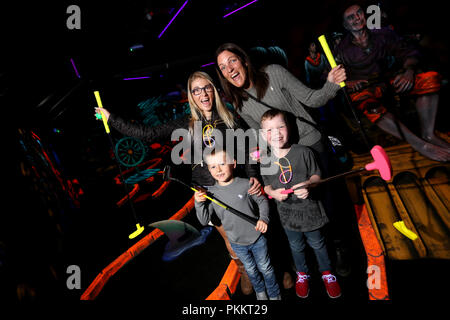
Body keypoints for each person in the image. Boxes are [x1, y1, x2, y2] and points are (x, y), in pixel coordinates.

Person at [94, 71, 261, 295]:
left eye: (207, 88)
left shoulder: (230, 119)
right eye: (196, 90)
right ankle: (244, 271)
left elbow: (247, 152)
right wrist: (111, 118)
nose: (203, 94)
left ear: (214, 89)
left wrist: (252, 177)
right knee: (230, 239)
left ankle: (268, 269)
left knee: (255, 234)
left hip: (236, 188)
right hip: (210, 193)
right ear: (192, 96)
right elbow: (149, 134)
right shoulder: (187, 123)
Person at [215, 42, 352, 277]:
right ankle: (311, 256)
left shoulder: (274, 74)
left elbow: (312, 98)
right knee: (299, 202)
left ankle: (339, 246)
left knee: (325, 199)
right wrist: (259, 163)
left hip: (310, 143)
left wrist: (331, 84)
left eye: (232, 61)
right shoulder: (241, 101)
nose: (230, 69)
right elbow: (262, 135)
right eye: (223, 67)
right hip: (284, 154)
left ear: (244, 61)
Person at [335, 4, 450, 162]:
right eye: (351, 17)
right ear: (345, 25)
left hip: (392, 82)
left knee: (428, 78)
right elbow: (331, 77)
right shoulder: (341, 50)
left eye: (359, 13)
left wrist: (409, 70)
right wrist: (349, 83)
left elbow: (411, 53)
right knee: (363, 101)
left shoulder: (383, 34)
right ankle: (419, 144)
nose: (357, 18)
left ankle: (428, 134)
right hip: (368, 89)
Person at [260, 109, 341, 299]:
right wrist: (273, 193)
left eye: (281, 126)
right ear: (264, 135)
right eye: (270, 130)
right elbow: (267, 186)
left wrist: (309, 184)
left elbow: (316, 176)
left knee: (318, 243)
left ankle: (327, 273)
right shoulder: (265, 160)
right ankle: (302, 275)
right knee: (296, 246)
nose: (277, 133)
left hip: (310, 212)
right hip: (288, 216)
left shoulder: (304, 152)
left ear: (288, 128)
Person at [194, 149, 281, 300]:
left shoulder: (246, 184)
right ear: (208, 169)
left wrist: (263, 219)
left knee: (265, 268)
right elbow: (203, 220)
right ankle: (260, 291)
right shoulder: (210, 193)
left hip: (257, 238)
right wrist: (198, 203)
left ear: (233, 163)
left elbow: (262, 201)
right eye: (213, 166)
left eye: (222, 163)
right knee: (251, 270)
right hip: (236, 243)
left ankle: (274, 293)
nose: (218, 169)